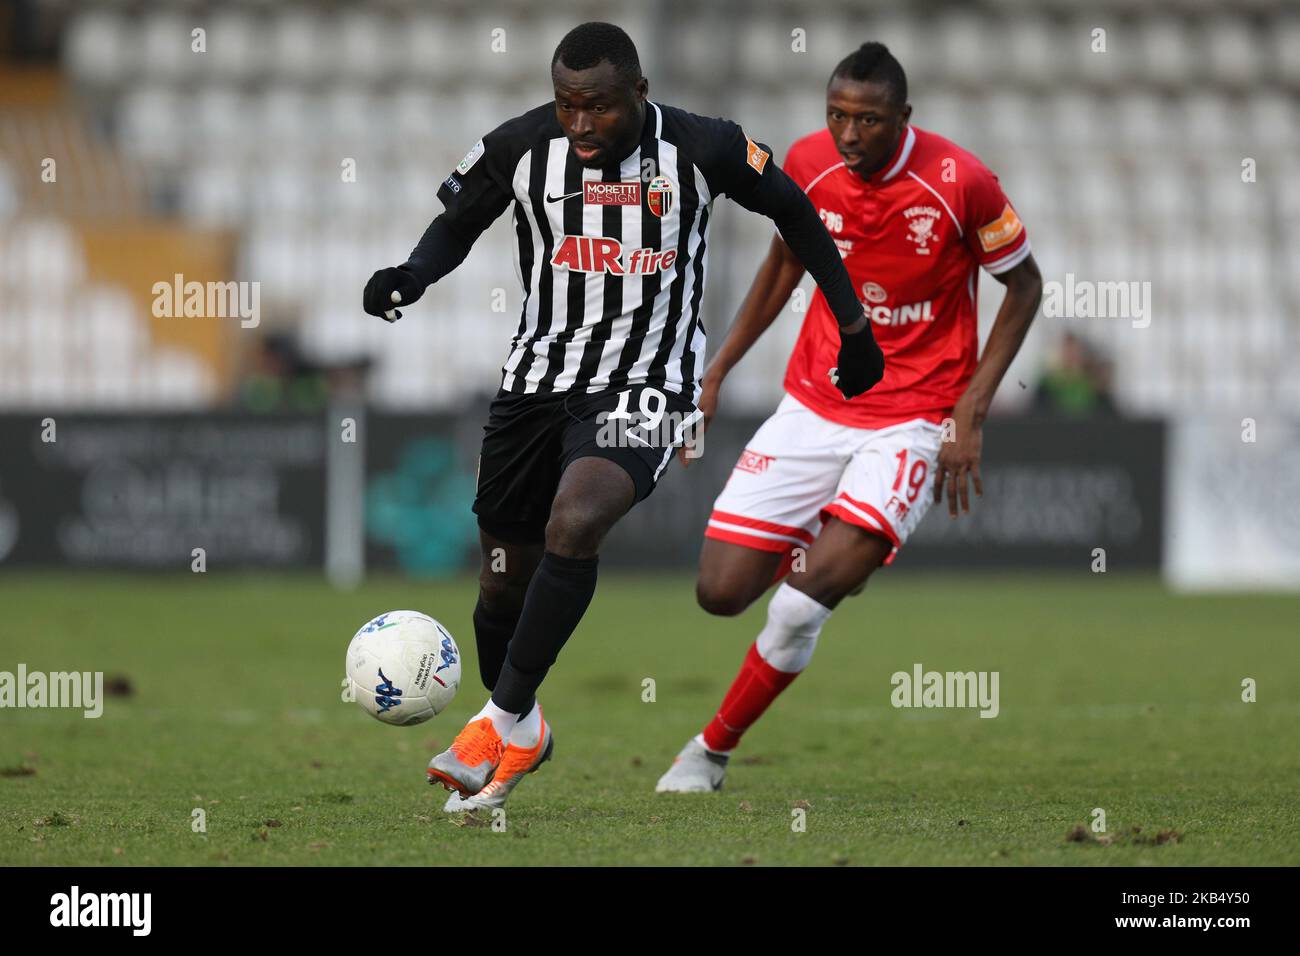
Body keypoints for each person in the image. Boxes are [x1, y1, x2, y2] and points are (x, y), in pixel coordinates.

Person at [362, 22, 884, 811]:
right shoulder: (519, 146)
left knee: (576, 522)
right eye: (567, 104)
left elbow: (797, 213)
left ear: (638, 93)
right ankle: (527, 726)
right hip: (536, 381)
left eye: (599, 107)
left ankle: (494, 720)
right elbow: (458, 220)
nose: (580, 124)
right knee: (503, 581)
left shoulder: (705, 147)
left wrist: (852, 324)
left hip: (649, 382)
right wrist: (412, 274)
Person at [656, 41, 1043, 793]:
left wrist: (971, 408)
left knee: (799, 606)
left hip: (914, 417)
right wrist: (718, 369)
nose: (849, 134)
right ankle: (835, 538)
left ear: (904, 116)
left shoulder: (963, 183)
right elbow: (781, 267)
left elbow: (1024, 287)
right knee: (720, 593)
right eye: (836, 115)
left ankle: (709, 751)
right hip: (813, 403)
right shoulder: (806, 162)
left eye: (867, 119)